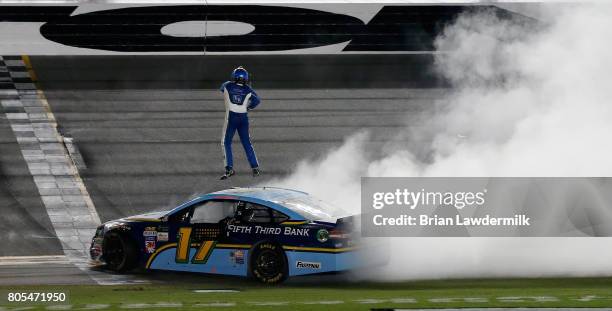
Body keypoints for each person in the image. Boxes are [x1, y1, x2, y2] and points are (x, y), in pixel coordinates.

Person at [219, 66, 261, 180]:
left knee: (226, 142)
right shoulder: (248, 89)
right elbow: (257, 100)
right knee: (247, 143)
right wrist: (249, 107)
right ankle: (255, 167)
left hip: (231, 117)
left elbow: (221, 88)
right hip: (243, 118)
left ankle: (229, 168)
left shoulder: (227, 85)